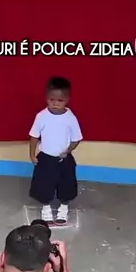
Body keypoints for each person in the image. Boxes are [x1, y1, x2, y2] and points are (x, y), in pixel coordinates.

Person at [29, 76, 83, 224]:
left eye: (60, 100)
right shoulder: (41, 116)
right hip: (45, 157)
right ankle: (46, 207)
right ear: (46, 98)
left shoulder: (70, 118)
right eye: (51, 99)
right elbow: (34, 136)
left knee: (67, 183)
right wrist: (32, 154)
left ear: (67, 100)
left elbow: (76, 138)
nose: (55, 103)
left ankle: (63, 207)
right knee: (44, 183)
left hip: (63, 158)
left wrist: (68, 150)